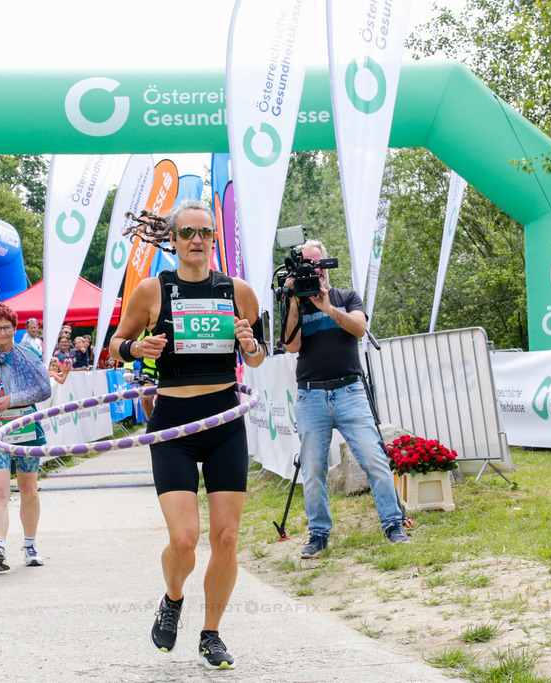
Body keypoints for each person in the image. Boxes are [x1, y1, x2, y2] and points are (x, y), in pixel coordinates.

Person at [109, 200, 264, 670]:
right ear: (173, 239)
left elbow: (257, 359)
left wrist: (250, 345)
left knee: (226, 537)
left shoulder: (238, 291)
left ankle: (212, 633)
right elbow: (116, 347)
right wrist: (137, 347)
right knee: (184, 540)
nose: (197, 240)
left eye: (205, 232)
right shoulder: (152, 290)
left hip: (224, 421)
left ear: (214, 239)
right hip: (174, 423)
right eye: (187, 232)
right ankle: (172, 598)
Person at [283, 239, 409, 559]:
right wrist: (294, 300)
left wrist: (326, 306)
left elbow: (359, 328)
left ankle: (393, 524)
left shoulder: (346, 296)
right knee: (312, 469)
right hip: (311, 396)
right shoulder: (294, 302)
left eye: (316, 264)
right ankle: (318, 534)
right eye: (306, 264)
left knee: (374, 458)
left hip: (350, 391)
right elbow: (291, 346)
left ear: (326, 264)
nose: (313, 270)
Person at [0, 303, 47, 571]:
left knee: (29, 491)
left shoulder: (28, 355)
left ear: (15, 328)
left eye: (6, 327)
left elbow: (44, 389)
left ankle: (29, 544)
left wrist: (12, 400)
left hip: (26, 432)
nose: (2, 332)